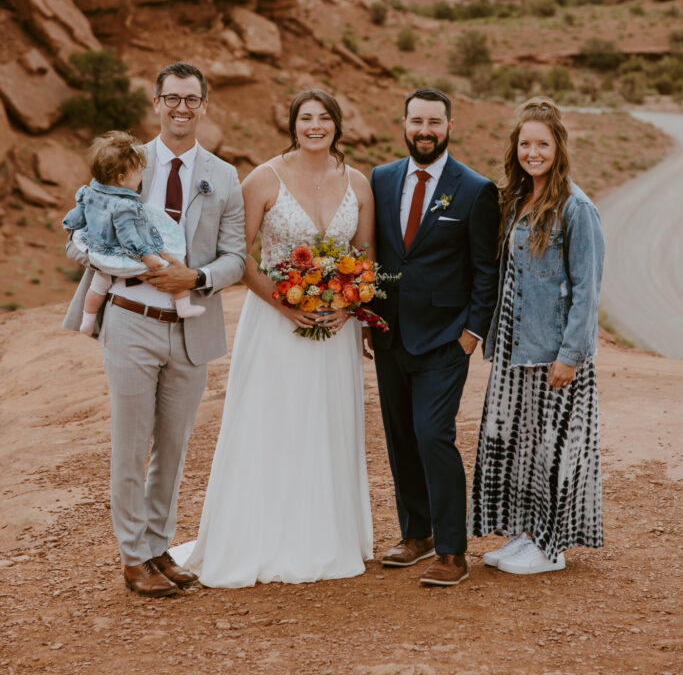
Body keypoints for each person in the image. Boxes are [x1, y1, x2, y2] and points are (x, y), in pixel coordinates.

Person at [173, 89, 374, 587]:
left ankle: (326, 535)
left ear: (337, 126)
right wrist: (286, 305)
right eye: (306, 118)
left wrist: (348, 306)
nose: (315, 126)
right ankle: (260, 536)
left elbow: (366, 256)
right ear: (293, 124)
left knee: (327, 424)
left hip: (335, 327)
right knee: (273, 422)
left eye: (324, 118)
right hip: (276, 323)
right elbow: (239, 257)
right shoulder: (263, 179)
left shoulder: (359, 183)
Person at [63, 62, 246, 598]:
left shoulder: (225, 176)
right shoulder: (124, 161)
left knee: (173, 445)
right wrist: (103, 257)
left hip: (190, 328)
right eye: (172, 98)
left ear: (205, 105)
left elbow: (236, 257)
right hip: (130, 322)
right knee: (130, 442)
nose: (181, 108)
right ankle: (132, 556)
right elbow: (81, 233)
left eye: (191, 99)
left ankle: (159, 546)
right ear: (156, 102)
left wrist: (198, 276)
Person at [368, 88, 499, 587]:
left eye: (435, 122)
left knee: (432, 435)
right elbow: (381, 252)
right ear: (404, 123)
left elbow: (485, 269)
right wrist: (369, 317)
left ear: (449, 125)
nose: (425, 130)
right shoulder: (381, 179)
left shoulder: (474, 189)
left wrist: (472, 333)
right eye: (417, 120)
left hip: (446, 339)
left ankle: (451, 550)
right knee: (401, 437)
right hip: (388, 335)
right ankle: (416, 534)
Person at [468, 96, 604, 575]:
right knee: (522, 446)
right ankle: (526, 535)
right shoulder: (515, 199)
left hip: (553, 352)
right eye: (525, 143)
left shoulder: (576, 208)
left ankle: (551, 549)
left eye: (542, 143)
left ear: (558, 147)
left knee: (552, 448)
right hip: (512, 346)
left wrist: (571, 355)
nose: (533, 152)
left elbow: (587, 290)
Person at [63, 131, 205, 336]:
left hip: (98, 249)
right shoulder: (124, 206)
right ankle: (183, 306)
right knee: (170, 269)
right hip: (122, 254)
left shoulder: (88, 192)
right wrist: (147, 257)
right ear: (121, 179)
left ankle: (88, 320)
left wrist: (69, 224)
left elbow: (78, 215)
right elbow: (128, 237)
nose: (141, 176)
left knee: (98, 286)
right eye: (138, 172)